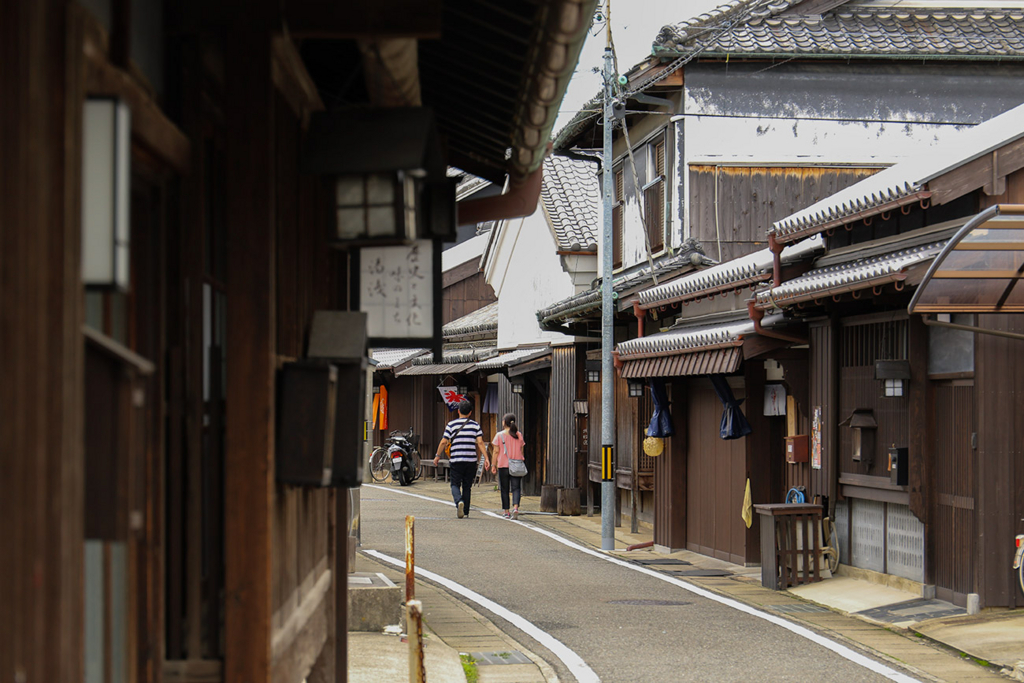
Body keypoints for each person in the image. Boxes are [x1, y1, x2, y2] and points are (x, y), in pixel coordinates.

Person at [434, 398, 489, 519]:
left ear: (458, 411)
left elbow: (444, 442)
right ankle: (466, 510)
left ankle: (459, 501)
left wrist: (437, 456)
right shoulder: (475, 426)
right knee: (467, 486)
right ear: (470, 412)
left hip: (456, 460)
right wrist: (487, 458)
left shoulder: (451, 425)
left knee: (455, 484)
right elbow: (480, 442)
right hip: (471, 461)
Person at [491, 413, 525, 520]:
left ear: (504, 422)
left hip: (503, 465)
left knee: (505, 489)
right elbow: (521, 450)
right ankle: (515, 508)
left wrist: (493, 464)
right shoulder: (519, 435)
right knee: (516, 488)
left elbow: (496, 451)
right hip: (516, 465)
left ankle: (506, 511)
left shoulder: (500, 435)